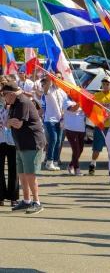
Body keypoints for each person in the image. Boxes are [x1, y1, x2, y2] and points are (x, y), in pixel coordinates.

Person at [4, 84, 46, 215]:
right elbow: (7, 123)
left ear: (11, 94)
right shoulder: (14, 103)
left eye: (4, 94)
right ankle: (27, 201)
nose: (3, 97)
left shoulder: (22, 102)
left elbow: (17, 124)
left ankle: (37, 202)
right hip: (21, 143)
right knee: (21, 173)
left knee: (30, 174)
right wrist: (10, 122)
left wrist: (9, 122)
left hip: (31, 143)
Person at [41, 74, 67, 171]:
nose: (57, 79)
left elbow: (63, 105)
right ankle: (49, 161)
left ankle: (56, 161)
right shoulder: (49, 90)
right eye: (55, 77)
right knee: (53, 139)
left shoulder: (63, 92)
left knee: (59, 141)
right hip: (50, 119)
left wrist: (63, 114)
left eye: (59, 78)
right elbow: (46, 89)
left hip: (59, 120)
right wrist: (49, 78)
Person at [91, 77, 110, 175]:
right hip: (100, 125)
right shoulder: (96, 95)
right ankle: (92, 164)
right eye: (104, 84)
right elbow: (93, 108)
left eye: (107, 84)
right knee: (97, 147)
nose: (105, 86)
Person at [0, 91, 19, 207]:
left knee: (14, 169)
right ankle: (0, 196)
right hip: (0, 139)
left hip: (13, 140)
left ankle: (13, 197)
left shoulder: (16, 106)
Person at [63, 98, 86, 176]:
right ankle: (77, 168)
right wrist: (81, 101)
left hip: (81, 128)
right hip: (70, 129)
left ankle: (70, 165)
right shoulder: (67, 101)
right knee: (76, 149)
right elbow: (73, 109)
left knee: (80, 150)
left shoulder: (82, 101)